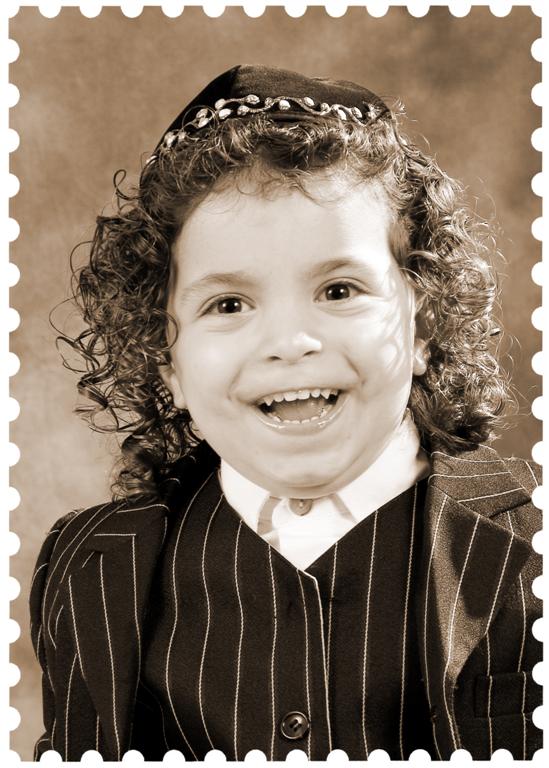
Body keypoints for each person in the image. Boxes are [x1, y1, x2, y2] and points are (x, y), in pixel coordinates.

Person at [30, 64, 541, 761]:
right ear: (166, 361)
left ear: (423, 326)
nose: (290, 342)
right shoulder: (92, 564)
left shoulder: (533, 537)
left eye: (338, 290)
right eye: (228, 304)